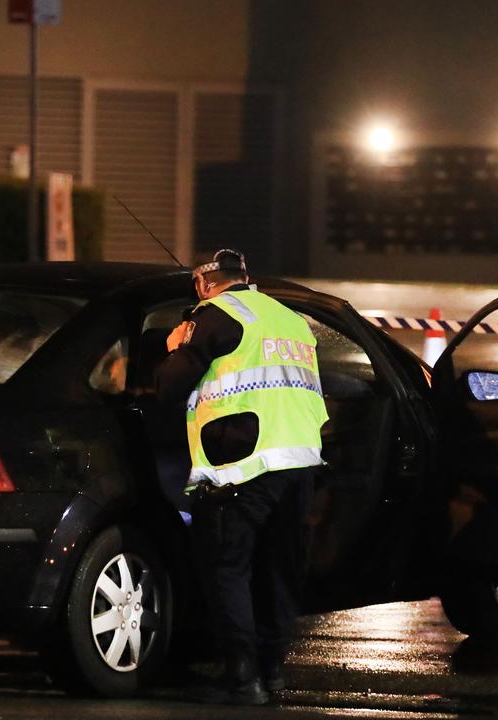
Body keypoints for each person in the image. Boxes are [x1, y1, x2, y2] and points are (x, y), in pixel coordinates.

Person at [155, 249, 329, 705]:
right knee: (279, 571)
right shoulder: (290, 318)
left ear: (203, 284)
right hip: (299, 460)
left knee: (227, 568)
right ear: (245, 278)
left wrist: (175, 347)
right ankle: (272, 672)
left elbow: (169, 387)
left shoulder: (213, 316)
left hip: (243, 463)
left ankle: (242, 677)